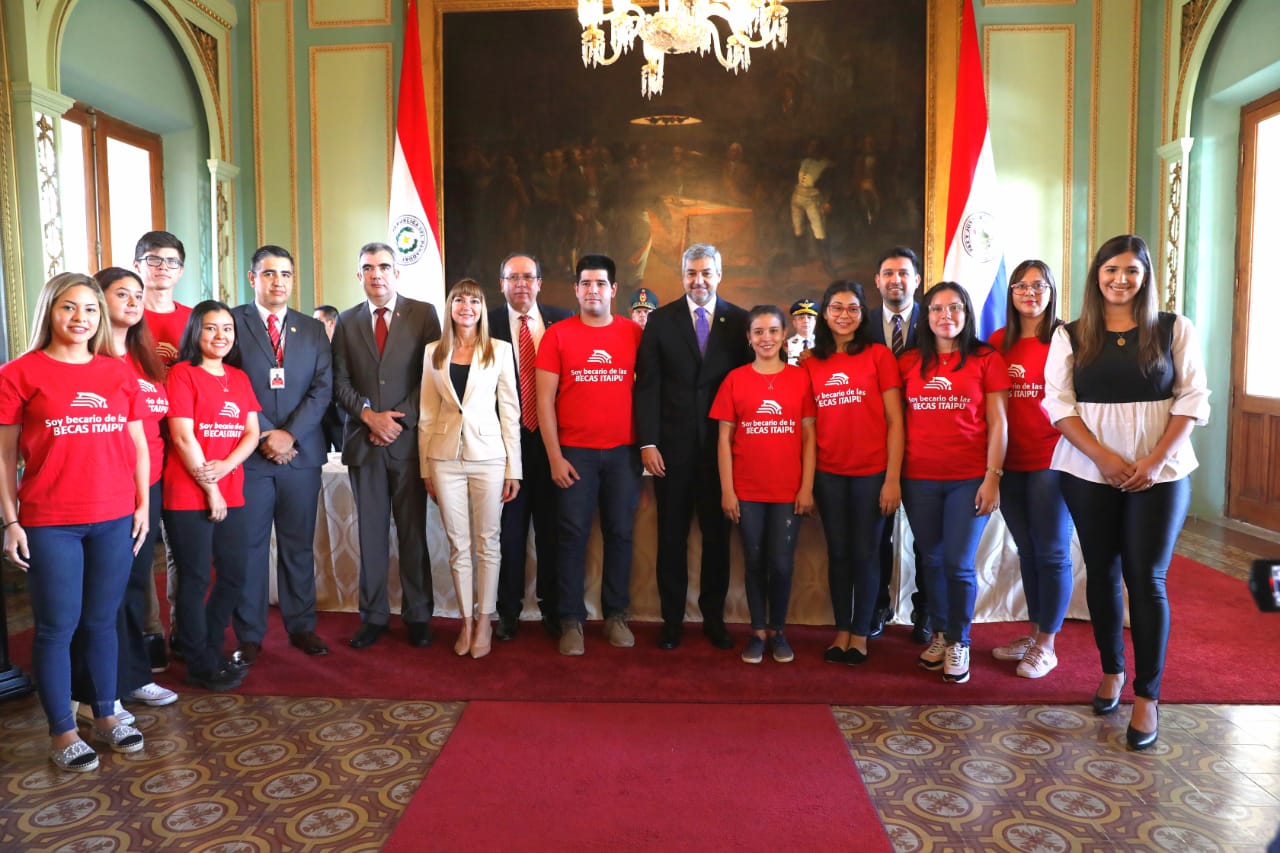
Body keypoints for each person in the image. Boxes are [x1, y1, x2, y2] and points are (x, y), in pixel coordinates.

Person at [1044, 234, 1209, 750]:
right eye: (1111, 269)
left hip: (1161, 472)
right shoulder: (1071, 334)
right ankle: (1112, 670)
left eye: (1132, 271)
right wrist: (1104, 457)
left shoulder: (1172, 328)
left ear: (1145, 277)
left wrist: (1154, 460)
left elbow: (1193, 396)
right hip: (1088, 471)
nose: (1121, 279)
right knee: (1103, 569)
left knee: (1147, 578)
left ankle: (1147, 695)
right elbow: (1058, 404)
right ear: (1097, 274)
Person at [0, 273, 149, 772]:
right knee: (56, 628)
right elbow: (3, 458)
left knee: (102, 622)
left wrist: (142, 506)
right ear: (50, 311)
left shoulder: (118, 372)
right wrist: (10, 521)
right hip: (50, 521)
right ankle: (62, 730)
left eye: (89, 310)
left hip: (113, 517)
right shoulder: (19, 373)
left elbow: (136, 445)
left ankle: (105, 716)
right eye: (69, 307)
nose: (80, 319)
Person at [68, 268, 176, 718]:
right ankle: (96, 690)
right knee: (101, 591)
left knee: (133, 585)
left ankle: (133, 677)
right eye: (121, 294)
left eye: (138, 295)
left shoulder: (143, 356)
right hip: (104, 484)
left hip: (146, 480)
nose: (133, 302)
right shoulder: (86, 360)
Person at [635, 243, 751, 651]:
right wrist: (647, 442)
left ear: (719, 274)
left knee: (718, 538)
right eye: (690, 273)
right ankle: (672, 620)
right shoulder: (662, 321)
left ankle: (714, 618)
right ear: (682, 275)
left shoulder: (740, 322)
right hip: (671, 451)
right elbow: (647, 386)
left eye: (705, 272)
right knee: (671, 537)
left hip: (722, 452)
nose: (698, 281)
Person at [331, 242, 441, 649]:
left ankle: (418, 614)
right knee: (371, 535)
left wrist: (396, 419)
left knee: (413, 533)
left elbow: (432, 377)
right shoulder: (346, 321)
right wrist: (368, 417)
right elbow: (339, 382)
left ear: (398, 273)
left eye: (384, 266)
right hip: (365, 442)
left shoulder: (423, 314)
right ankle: (373, 616)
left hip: (408, 443)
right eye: (368, 268)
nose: (376, 274)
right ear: (358, 276)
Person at [900, 283, 1009, 685]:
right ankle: (942, 634)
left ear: (967, 313)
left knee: (958, 564)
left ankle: (960, 640)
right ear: (925, 316)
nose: (946, 315)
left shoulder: (986, 358)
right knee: (930, 559)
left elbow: (999, 423)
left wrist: (992, 477)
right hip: (919, 479)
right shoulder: (908, 361)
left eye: (955, 307)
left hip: (968, 478)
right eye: (936, 308)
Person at [535, 253, 643, 656]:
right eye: (585, 283)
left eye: (600, 284)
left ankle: (616, 616)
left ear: (613, 290)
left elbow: (647, 394)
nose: (593, 290)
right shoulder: (558, 335)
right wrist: (554, 457)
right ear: (576, 289)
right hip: (574, 455)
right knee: (572, 537)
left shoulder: (634, 334)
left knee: (620, 534)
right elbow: (544, 402)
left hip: (623, 455)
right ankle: (571, 620)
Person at [230, 246, 333, 664]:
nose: (278, 282)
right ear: (253, 278)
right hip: (249, 455)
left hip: (300, 455)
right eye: (269, 274)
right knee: (250, 547)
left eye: (286, 274)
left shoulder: (311, 329)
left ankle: (301, 626)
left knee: (297, 545)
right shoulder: (232, 323)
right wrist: (264, 434)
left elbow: (322, 387)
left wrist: (289, 434)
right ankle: (250, 635)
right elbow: (224, 383)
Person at [420, 279, 522, 659]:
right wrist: (424, 467)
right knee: (458, 544)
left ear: (482, 308)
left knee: (488, 542)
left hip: (490, 456)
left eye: (474, 300)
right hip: (444, 457)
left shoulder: (499, 350)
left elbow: (510, 413)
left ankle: (485, 622)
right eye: (459, 300)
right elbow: (427, 414)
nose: (466, 306)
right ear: (450, 307)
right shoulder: (434, 351)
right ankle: (464, 621)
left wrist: (515, 468)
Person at [803, 281, 903, 665]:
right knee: (839, 554)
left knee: (866, 554)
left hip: (872, 474)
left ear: (863, 315)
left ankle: (861, 632)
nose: (844, 315)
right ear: (824, 313)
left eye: (853, 308)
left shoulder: (878, 356)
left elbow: (896, 421)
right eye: (836, 308)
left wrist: (892, 477)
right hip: (829, 475)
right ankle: (841, 629)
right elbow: (808, 428)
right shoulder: (811, 361)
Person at [711, 305, 816, 664]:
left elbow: (809, 436)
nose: (766, 338)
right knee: (754, 561)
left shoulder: (801, 378)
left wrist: (806, 487)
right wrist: (727, 490)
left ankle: (779, 630)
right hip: (747, 491)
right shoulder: (735, 379)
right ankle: (757, 631)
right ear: (749, 338)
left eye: (773, 330)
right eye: (759, 332)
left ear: (784, 335)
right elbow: (723, 440)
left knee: (782, 563)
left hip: (788, 491)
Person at [165, 301, 261, 692]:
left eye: (227, 329)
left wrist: (226, 468)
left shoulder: (238, 377)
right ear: (195, 332)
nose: (220, 336)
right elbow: (183, 437)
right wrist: (210, 486)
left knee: (234, 574)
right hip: (188, 492)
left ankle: (207, 646)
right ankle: (201, 663)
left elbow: (251, 432)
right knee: (195, 577)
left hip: (231, 488)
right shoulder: (182, 375)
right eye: (211, 328)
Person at [988, 261, 1072, 679]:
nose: (1030, 292)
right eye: (1021, 285)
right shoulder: (997, 342)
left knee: (1053, 552)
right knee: (1029, 550)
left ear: (1051, 291)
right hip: (1010, 464)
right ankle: (1037, 631)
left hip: (1053, 461)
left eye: (1039, 285)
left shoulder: (1066, 339)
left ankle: (1047, 645)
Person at [488, 253, 572, 640]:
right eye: (512, 277)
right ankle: (508, 612)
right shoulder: (484, 321)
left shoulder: (564, 321)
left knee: (553, 533)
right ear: (501, 283)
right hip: (504, 446)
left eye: (528, 277)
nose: (520, 284)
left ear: (539, 283)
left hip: (555, 445)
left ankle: (553, 609)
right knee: (510, 533)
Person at [863, 246, 928, 642]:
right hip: (873, 447)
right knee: (876, 536)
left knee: (926, 539)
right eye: (888, 273)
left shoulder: (939, 319)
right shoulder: (861, 324)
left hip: (925, 444)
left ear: (917, 280)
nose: (895, 280)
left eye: (903, 273)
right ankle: (876, 607)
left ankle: (925, 612)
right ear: (877, 281)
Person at [136, 230, 192, 368]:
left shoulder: (194, 318)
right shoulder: (126, 316)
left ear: (180, 270)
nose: (163, 267)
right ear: (137, 266)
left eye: (172, 261)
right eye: (154, 260)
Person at [313, 304, 346, 453]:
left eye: (317, 321)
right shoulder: (313, 348)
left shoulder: (346, 347)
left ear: (331, 322)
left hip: (341, 416)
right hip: (318, 417)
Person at [785, 297, 818, 365]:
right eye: (801, 318)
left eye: (809, 317)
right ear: (794, 323)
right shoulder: (786, 346)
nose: (806, 321)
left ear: (815, 322)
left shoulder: (824, 344)